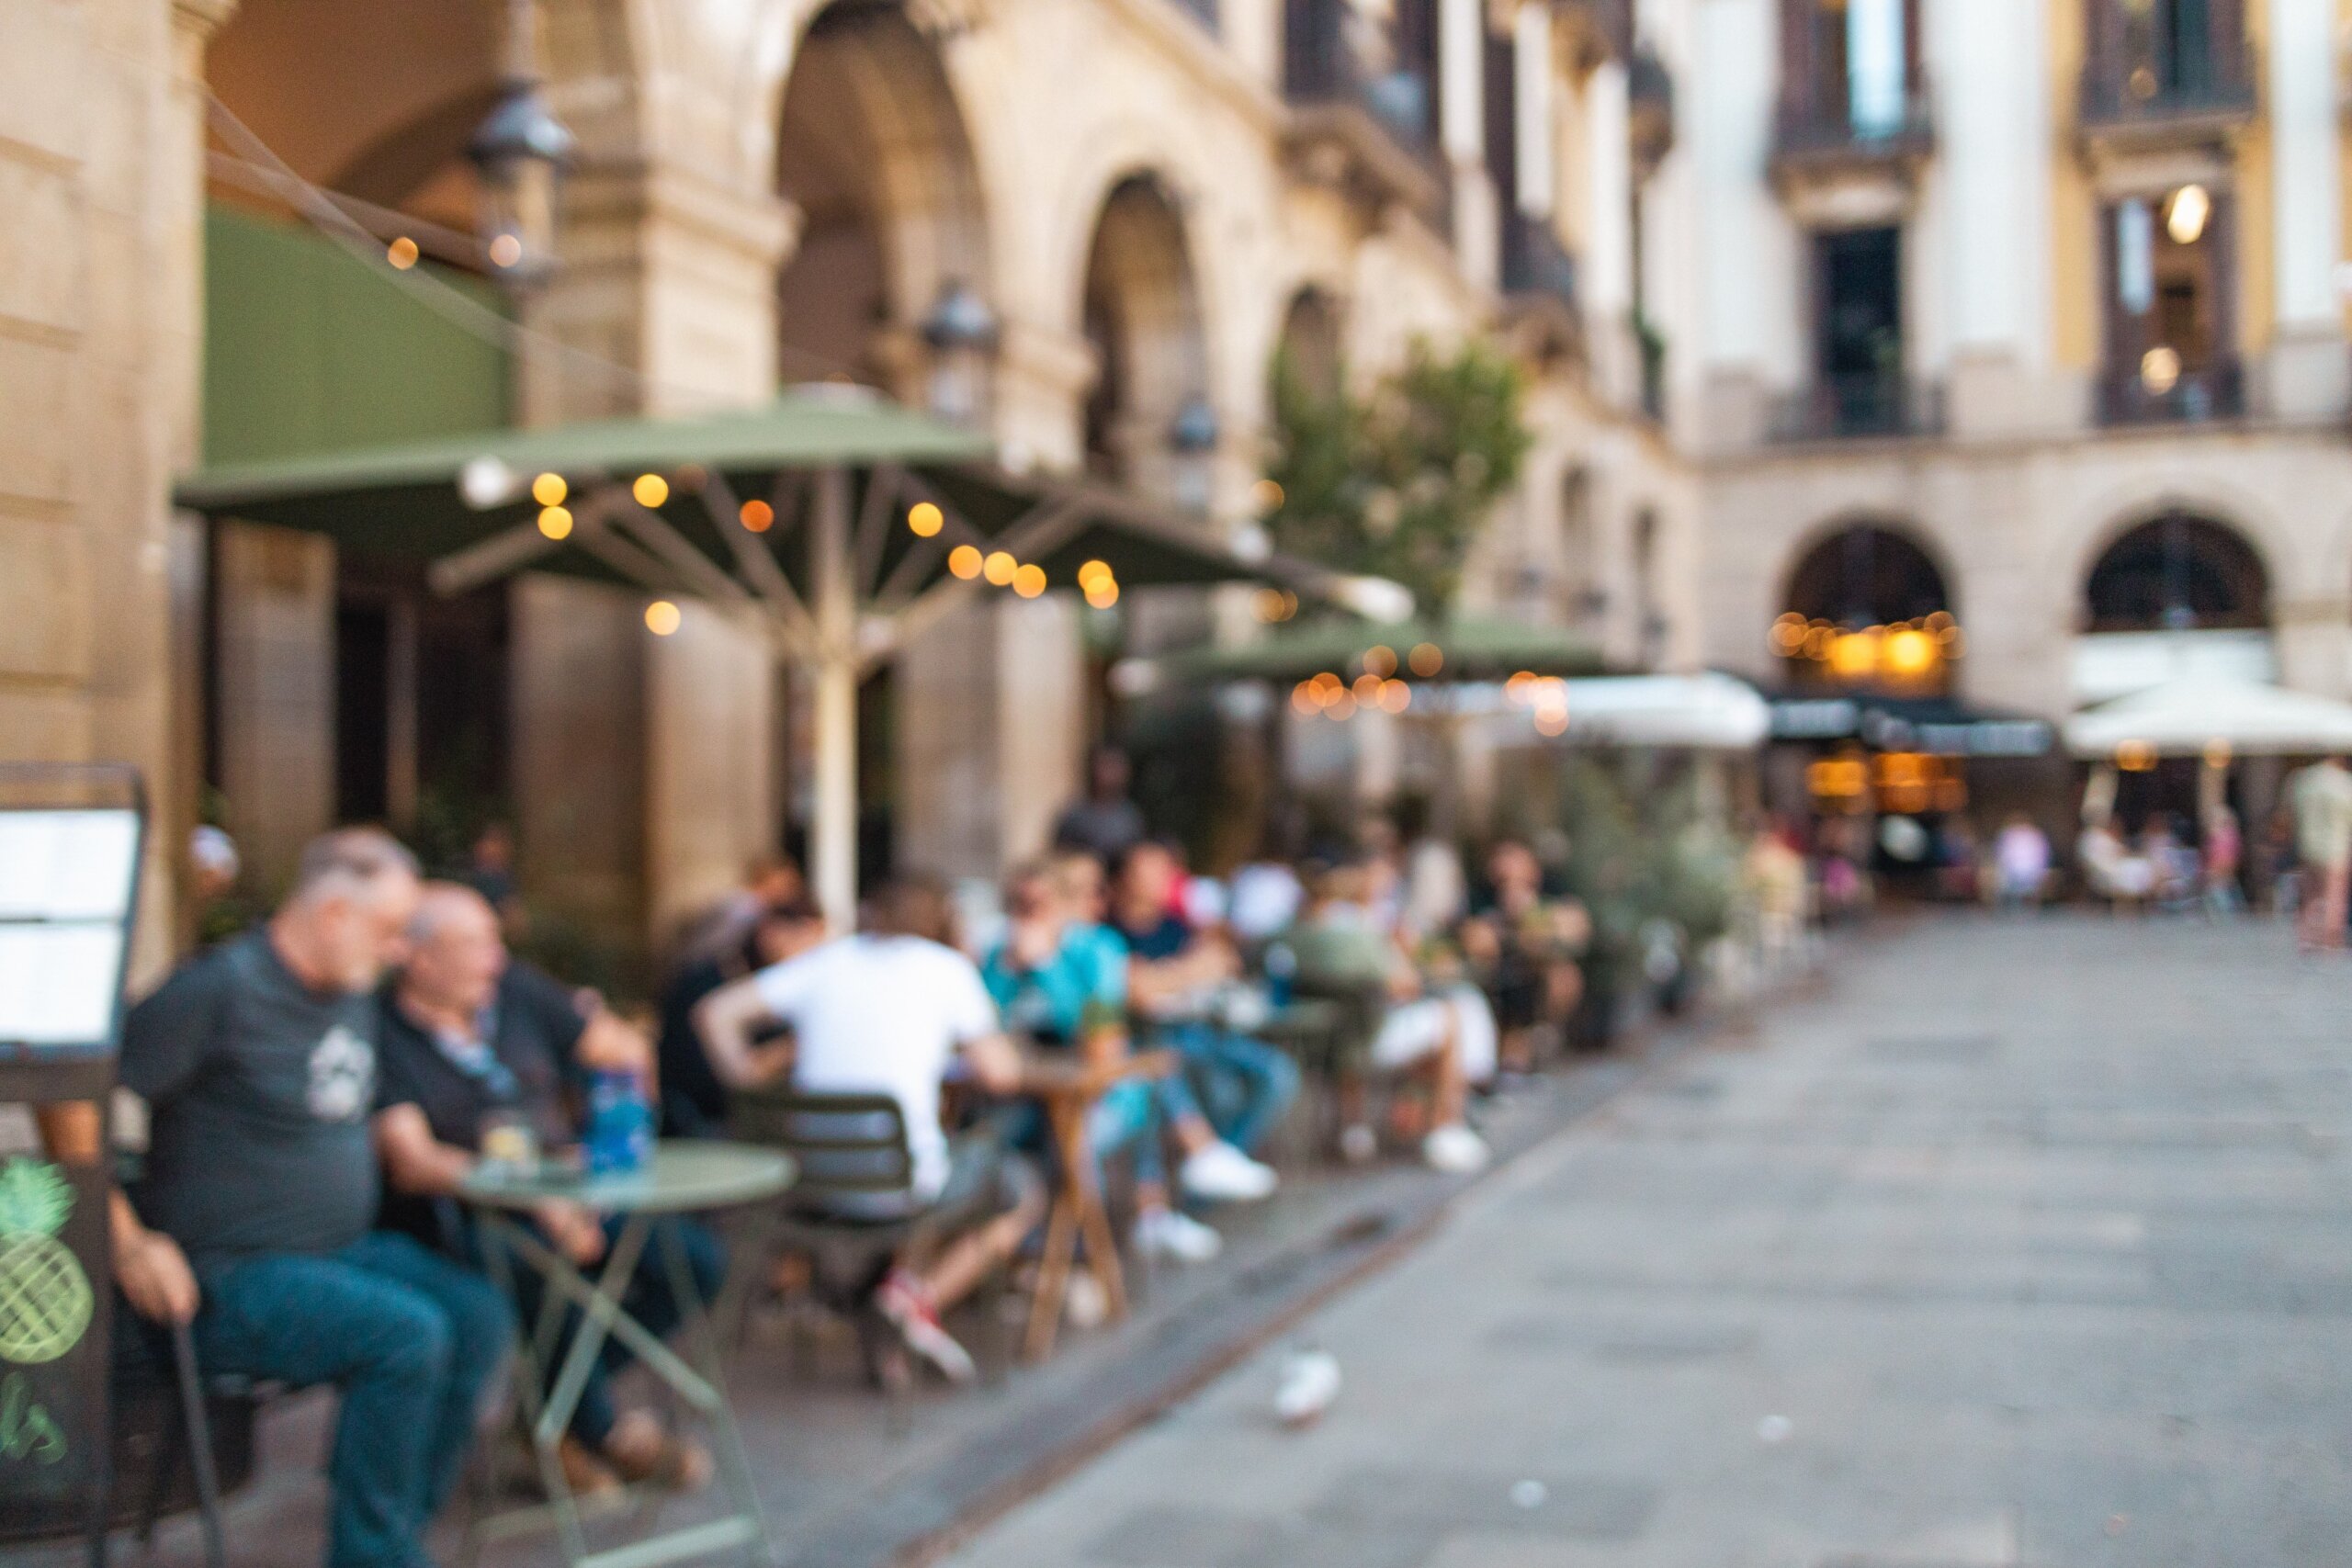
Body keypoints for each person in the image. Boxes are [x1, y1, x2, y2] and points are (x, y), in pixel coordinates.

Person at [40, 829, 512, 1568]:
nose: (396, 952)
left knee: (478, 1315)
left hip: (338, 1252)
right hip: (225, 1271)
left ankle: (394, 1524)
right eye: (389, 931)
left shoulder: (348, 989)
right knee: (406, 1334)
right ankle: (373, 1555)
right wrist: (126, 1238)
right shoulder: (220, 986)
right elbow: (69, 1099)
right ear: (332, 914)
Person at [373, 884, 719, 1496]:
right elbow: (414, 1161)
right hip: (466, 1215)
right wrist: (536, 1195)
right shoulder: (384, 1029)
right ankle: (598, 1428)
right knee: (543, 1274)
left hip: (574, 1188)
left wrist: (616, 1132)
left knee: (694, 1262)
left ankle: (550, 1414)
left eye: (494, 940)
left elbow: (625, 1049)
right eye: (474, 944)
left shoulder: (517, 992)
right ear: (420, 957)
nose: (494, 958)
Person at [694, 878, 1044, 1382]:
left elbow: (715, 1014)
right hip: (900, 1186)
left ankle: (891, 1337)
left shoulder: (828, 961)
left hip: (809, 1181)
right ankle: (912, 1299)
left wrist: (747, 1083)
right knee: (1018, 1186)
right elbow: (1003, 1075)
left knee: (922, 1164)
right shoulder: (945, 969)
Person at [982, 861, 1268, 1267]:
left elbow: (1098, 1035)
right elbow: (981, 1026)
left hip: (1093, 1098)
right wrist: (1010, 969)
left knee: (1074, 1142)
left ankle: (1078, 1260)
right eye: (1017, 905)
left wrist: (1046, 967)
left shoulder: (1095, 950)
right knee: (995, 1152)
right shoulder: (998, 955)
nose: (1026, 916)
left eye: (1036, 905)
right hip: (1019, 1099)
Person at [1285, 863, 1492, 1173]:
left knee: (1421, 1020)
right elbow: (1404, 985)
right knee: (1451, 1017)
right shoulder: (1358, 933)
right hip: (1364, 1041)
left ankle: (1357, 1126)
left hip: (1316, 1043)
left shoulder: (1297, 933)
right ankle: (1445, 1124)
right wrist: (1398, 948)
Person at [1109, 841, 1300, 1162]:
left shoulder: (1176, 925)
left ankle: (1220, 1164)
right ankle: (1207, 1164)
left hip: (1200, 1031)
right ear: (1124, 879)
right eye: (1149, 872)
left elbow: (1222, 961)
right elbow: (1138, 991)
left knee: (1278, 1074)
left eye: (1165, 871)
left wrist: (1165, 975)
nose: (1163, 879)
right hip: (1149, 1039)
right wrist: (1188, 971)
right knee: (1209, 1092)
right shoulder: (1110, 932)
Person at [653, 897, 826, 1136]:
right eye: (807, 944)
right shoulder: (709, 985)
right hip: (702, 1125)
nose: (810, 962)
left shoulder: (766, 991)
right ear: (771, 933)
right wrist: (784, 1054)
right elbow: (710, 1084)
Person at [1461, 840, 1589, 1071]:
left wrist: (1531, 915)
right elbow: (1475, 937)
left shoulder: (1550, 887)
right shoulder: (1483, 894)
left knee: (1565, 977)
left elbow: (1577, 924)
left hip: (1541, 966)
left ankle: (1541, 1037)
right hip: (1498, 969)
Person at [2290, 755, 2352, 951]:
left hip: (2307, 845)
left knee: (2310, 896)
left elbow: (2292, 811)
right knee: (2334, 894)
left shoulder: (2302, 780)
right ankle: (2330, 939)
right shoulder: (2343, 782)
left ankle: (2306, 938)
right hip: (2336, 846)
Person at [1051, 746, 1148, 865]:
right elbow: (1059, 857)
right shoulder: (1075, 815)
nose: (1110, 774)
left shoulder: (1130, 816)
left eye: (1116, 767)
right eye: (1105, 766)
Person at [1991, 815, 2052, 910]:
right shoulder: (2008, 835)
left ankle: (2020, 906)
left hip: (2026, 873)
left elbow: (1999, 857)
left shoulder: (2034, 835)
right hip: (2017, 873)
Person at [2202, 803, 2245, 917]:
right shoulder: (2231, 835)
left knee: (2218, 889)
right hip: (2224, 869)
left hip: (2221, 868)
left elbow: (2222, 857)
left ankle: (2225, 912)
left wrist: (2214, 870)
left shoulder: (2222, 836)